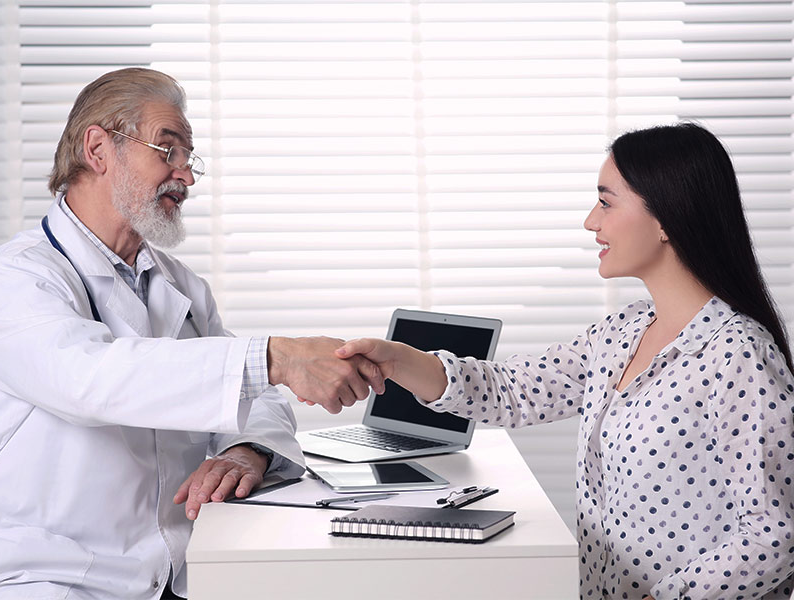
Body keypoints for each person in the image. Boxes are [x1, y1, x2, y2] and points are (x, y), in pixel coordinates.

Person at [335, 123, 794, 599]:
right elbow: (510, 391)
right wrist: (396, 361)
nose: (591, 221)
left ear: (666, 220)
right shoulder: (622, 333)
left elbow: (773, 536)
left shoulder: (738, 353)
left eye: (606, 202)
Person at [0, 67, 383, 600]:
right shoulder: (17, 279)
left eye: (189, 157)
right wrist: (275, 357)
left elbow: (259, 397)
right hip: (57, 577)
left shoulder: (182, 287)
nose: (187, 176)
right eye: (167, 149)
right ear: (98, 148)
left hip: (179, 573)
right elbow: (89, 379)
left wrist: (248, 451)